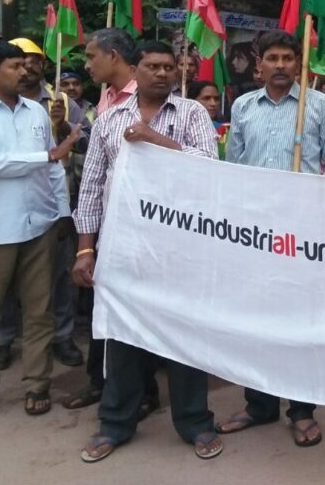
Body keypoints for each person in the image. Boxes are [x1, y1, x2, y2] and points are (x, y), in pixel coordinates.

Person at [72, 41, 222, 463]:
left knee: (184, 337)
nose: (161, 73)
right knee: (122, 339)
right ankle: (115, 424)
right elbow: (91, 189)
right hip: (125, 248)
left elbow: (209, 166)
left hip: (181, 247)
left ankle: (195, 422)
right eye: (152, 66)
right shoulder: (108, 121)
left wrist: (155, 140)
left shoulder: (192, 113)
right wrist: (85, 250)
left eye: (168, 67)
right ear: (134, 70)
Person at [220, 30, 325, 447]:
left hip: (302, 231)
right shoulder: (242, 106)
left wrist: (318, 205)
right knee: (255, 319)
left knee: (298, 319)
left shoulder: (319, 105)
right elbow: (234, 168)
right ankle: (258, 403)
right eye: (271, 57)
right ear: (259, 63)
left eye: (287, 58)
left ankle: (301, 409)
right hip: (254, 232)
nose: (279, 65)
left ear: (298, 63)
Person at [0, 41, 79, 422]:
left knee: (39, 312)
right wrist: (47, 157)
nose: (24, 71)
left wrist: (61, 212)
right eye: (15, 65)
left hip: (38, 224)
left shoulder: (37, 114)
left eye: (25, 65)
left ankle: (37, 383)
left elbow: (55, 169)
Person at [64, 27, 145, 412]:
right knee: (104, 306)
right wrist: (86, 244)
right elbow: (94, 180)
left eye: (91, 56)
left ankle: (142, 393)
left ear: (113, 56)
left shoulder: (149, 101)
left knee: (139, 314)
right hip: (107, 227)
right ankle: (100, 382)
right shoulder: (104, 104)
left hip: (146, 232)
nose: (86, 64)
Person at [0, 37, 89, 370]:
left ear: (42, 65)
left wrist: (63, 124)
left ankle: (62, 337)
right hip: (8, 204)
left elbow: (84, 143)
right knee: (6, 279)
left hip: (54, 202)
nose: (27, 66)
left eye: (33, 60)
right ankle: (4, 340)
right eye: (19, 60)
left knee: (61, 277)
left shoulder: (61, 99)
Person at [186, 80, 228, 159]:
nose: (213, 103)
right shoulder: (182, 128)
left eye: (216, 99)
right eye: (206, 98)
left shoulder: (225, 130)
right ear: (192, 101)